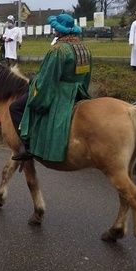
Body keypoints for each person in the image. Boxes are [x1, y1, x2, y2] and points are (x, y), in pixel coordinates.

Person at [10, 14, 91, 161]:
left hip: (61, 94)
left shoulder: (58, 51)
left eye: (55, 28)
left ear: (60, 31)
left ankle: (26, 146)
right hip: (79, 91)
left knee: (15, 107)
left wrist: (34, 82)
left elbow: (48, 80)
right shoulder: (84, 48)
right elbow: (86, 76)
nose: (54, 30)